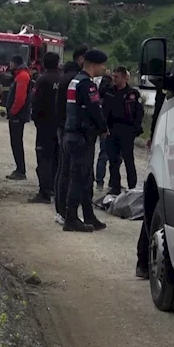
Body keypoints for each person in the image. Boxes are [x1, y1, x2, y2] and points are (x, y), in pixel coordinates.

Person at [62, 49, 109, 232]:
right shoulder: (87, 85)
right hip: (81, 137)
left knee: (85, 178)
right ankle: (71, 218)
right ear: (94, 65)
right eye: (102, 65)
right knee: (79, 178)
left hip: (71, 134)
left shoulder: (75, 81)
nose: (104, 68)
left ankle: (88, 215)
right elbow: (94, 109)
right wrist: (103, 128)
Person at [136, 73, 171, 279]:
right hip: (166, 140)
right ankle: (143, 261)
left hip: (163, 138)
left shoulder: (164, 88)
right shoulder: (165, 90)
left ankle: (143, 262)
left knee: (154, 204)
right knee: (155, 204)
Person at [53, 45, 87, 225]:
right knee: (69, 172)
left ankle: (60, 210)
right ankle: (66, 211)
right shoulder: (75, 79)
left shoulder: (64, 77)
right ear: (81, 59)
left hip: (62, 127)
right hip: (71, 129)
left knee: (62, 170)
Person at [104, 66, 145, 195]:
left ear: (124, 77)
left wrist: (135, 129)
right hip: (112, 129)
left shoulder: (132, 94)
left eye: (116, 77)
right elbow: (104, 111)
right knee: (113, 161)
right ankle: (115, 187)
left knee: (128, 160)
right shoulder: (109, 92)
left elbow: (139, 113)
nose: (114, 79)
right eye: (113, 77)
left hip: (127, 130)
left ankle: (132, 187)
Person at [29, 52, 62, 203]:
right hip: (60, 125)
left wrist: (36, 120)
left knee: (43, 158)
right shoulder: (63, 79)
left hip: (44, 125)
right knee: (57, 158)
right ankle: (56, 189)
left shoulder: (42, 80)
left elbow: (36, 103)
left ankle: (44, 192)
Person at [5, 55, 32, 180]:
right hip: (18, 115)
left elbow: (20, 98)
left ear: (14, 63)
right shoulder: (21, 75)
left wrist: (13, 112)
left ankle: (20, 171)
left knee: (16, 142)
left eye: (10, 63)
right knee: (16, 142)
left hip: (17, 116)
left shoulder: (22, 76)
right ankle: (19, 169)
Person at [94, 72, 113, 190]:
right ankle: (111, 182)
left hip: (103, 126)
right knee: (113, 156)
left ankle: (99, 182)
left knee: (103, 154)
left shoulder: (100, 95)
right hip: (111, 126)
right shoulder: (111, 94)